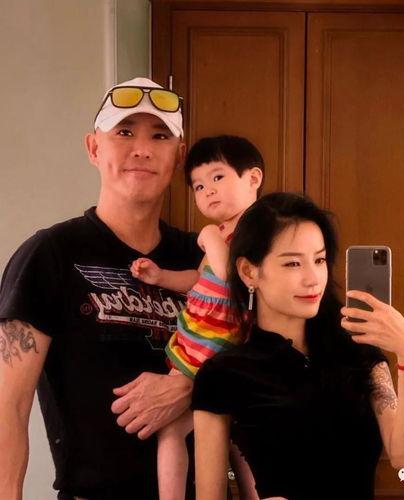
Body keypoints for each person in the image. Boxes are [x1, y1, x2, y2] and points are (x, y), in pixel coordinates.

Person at [0, 77, 204, 500]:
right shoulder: (50, 254)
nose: (142, 149)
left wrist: (190, 385)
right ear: (94, 148)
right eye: (124, 132)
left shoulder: (202, 259)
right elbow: (8, 407)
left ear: (179, 156)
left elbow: (260, 366)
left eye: (160, 136)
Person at [192, 192, 404, 500]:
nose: (313, 278)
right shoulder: (222, 374)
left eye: (319, 260)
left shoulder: (359, 354)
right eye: (293, 263)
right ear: (249, 271)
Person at [130, 135, 264, 500]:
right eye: (199, 186)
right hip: (203, 339)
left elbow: (227, 275)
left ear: (253, 179)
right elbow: (200, 279)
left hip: (215, 345)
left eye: (218, 177)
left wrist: (209, 237)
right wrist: (161, 277)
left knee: (174, 430)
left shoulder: (257, 231)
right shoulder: (221, 234)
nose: (208, 191)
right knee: (233, 432)